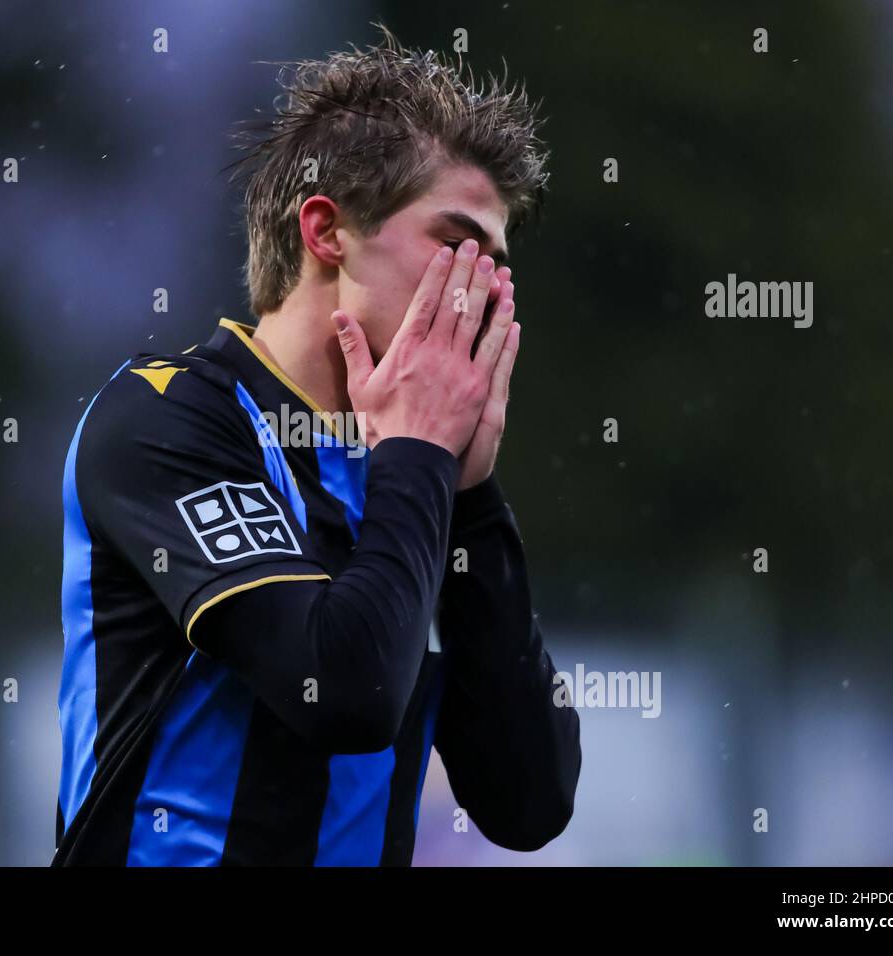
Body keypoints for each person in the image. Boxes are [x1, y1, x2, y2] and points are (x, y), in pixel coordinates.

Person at [54, 26, 580, 866]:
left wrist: (474, 502)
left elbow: (529, 802)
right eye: (455, 247)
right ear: (326, 231)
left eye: (497, 265)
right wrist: (418, 457)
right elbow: (343, 692)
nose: (481, 293)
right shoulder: (165, 418)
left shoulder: (418, 463)